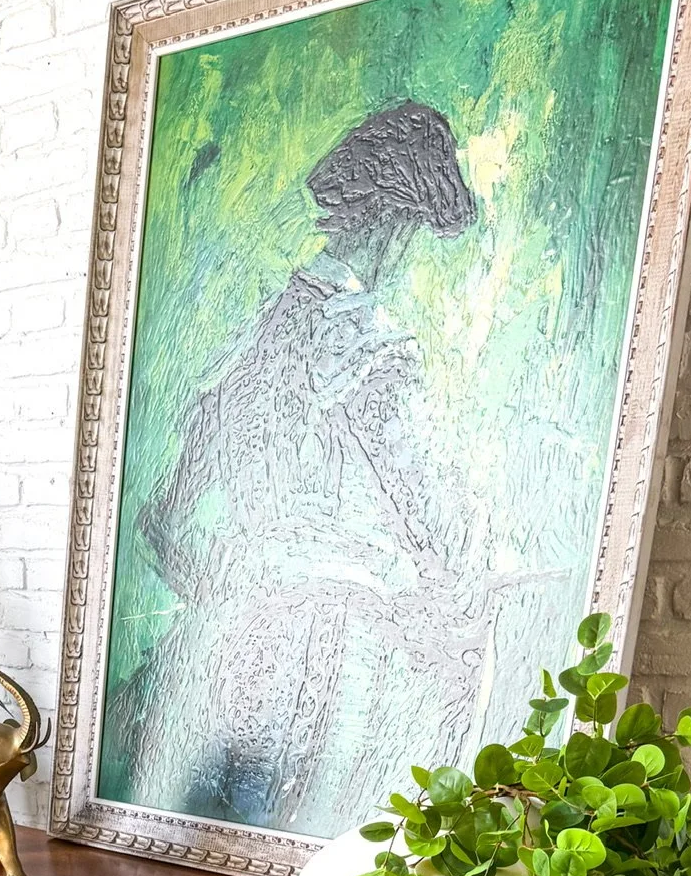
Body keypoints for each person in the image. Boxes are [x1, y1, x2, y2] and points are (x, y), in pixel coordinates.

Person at [106, 100, 490, 836]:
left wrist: (233, 584)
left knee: (213, 848)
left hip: (223, 647)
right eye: (409, 234)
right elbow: (421, 518)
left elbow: (165, 512)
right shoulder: (367, 345)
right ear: (390, 222)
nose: (407, 254)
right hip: (328, 661)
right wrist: (446, 588)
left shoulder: (261, 329)